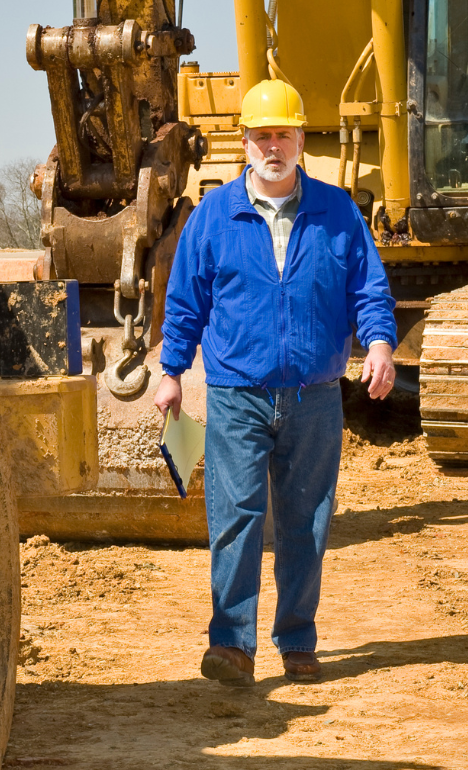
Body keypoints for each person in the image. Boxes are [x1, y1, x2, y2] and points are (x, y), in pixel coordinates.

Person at [154, 78, 397, 685]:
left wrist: (382, 344)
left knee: (306, 521)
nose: (272, 146)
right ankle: (232, 645)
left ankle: (297, 641)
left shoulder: (338, 212)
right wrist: (172, 372)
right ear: (244, 142)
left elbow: (368, 290)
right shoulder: (214, 216)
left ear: (300, 141)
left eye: (283, 134)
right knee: (234, 516)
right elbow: (185, 301)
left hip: (314, 397)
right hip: (238, 396)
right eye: (261, 135)